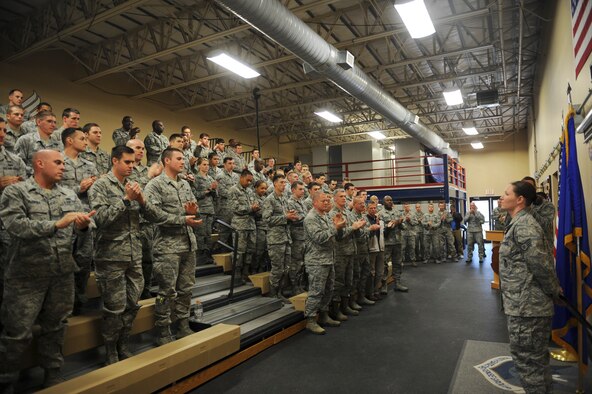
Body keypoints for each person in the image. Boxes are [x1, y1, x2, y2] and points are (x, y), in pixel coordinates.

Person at [0, 150, 95, 390]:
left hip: (61, 273)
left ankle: (52, 373)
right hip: (26, 275)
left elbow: (82, 226)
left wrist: (83, 226)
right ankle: (6, 380)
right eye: (58, 162)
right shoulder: (16, 192)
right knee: (17, 333)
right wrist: (56, 224)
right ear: (39, 164)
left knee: (56, 327)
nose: (64, 167)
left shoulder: (68, 194)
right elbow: (15, 226)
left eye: (64, 162)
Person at [88, 145, 164, 365]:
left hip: (134, 255)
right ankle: (111, 349)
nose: (132, 166)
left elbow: (151, 215)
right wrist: (125, 200)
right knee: (114, 308)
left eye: (133, 162)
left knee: (132, 304)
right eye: (127, 162)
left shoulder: (134, 185)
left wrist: (141, 201)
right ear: (114, 161)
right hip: (110, 256)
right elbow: (100, 219)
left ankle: (123, 343)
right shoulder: (100, 186)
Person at [499, 181, 561, 394]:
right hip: (523, 305)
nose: (501, 197)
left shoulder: (524, 225)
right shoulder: (517, 222)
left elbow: (541, 264)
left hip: (528, 309)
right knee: (537, 361)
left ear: (519, 200)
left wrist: (554, 290)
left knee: (528, 364)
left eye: (505, 193)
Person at [144, 148, 202, 345]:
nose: (183, 162)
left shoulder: (185, 184)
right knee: (166, 292)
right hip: (167, 246)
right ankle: (163, 329)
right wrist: (182, 219)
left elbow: (194, 209)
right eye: (179, 158)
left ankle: (183, 325)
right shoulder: (155, 185)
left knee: (186, 289)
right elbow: (153, 215)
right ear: (167, 161)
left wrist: (193, 212)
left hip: (187, 243)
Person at [61, 128, 99, 314]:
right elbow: (53, 191)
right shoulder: (58, 161)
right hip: (64, 220)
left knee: (84, 261)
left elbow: (94, 193)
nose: (86, 142)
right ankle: (65, 302)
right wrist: (78, 188)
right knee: (65, 261)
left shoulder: (89, 165)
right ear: (69, 140)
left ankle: (79, 299)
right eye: (82, 138)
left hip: (86, 219)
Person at [303, 191, 346, 335]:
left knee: (328, 290)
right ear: (315, 202)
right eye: (324, 201)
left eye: (328, 200)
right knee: (316, 291)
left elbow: (336, 237)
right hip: (316, 261)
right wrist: (335, 228)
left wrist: (339, 226)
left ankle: (324, 315)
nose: (327, 203)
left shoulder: (326, 216)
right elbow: (319, 237)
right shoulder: (310, 218)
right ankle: (310, 320)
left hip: (329, 259)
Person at [126, 139, 161, 299]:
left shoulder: (148, 170)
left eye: (142, 148)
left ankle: (146, 289)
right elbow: (136, 191)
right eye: (137, 148)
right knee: (133, 262)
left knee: (148, 260)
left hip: (147, 222)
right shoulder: (126, 169)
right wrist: (149, 176)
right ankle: (133, 293)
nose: (141, 151)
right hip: (131, 222)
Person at [0, 118, 26, 314]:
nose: (2, 134)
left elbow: (27, 191)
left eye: (4, 131)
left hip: (9, 226)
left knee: (9, 273)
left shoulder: (14, 160)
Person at [262, 174, 299, 303]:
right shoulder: (269, 199)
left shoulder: (284, 198)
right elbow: (266, 219)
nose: (284, 185)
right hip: (275, 239)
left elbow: (287, 216)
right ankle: (273, 294)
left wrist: (292, 217)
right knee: (277, 268)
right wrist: (285, 217)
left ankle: (280, 292)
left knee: (286, 267)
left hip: (286, 237)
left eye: (285, 182)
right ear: (275, 184)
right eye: (282, 182)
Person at [330, 190, 365, 319]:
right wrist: (353, 228)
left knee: (348, 280)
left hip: (351, 251)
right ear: (334, 198)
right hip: (340, 252)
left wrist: (359, 227)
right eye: (341, 196)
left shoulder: (348, 213)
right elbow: (339, 236)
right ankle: (336, 310)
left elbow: (354, 232)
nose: (344, 198)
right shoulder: (333, 214)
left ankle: (346, 305)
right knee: (339, 282)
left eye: (345, 196)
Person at [229, 170, 259, 281]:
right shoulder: (233, 190)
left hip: (251, 224)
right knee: (239, 250)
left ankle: (245, 271)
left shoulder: (250, 191)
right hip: (240, 225)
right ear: (241, 177)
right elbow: (234, 208)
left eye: (251, 181)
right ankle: (237, 271)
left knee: (250, 249)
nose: (249, 182)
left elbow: (256, 203)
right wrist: (251, 208)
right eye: (248, 180)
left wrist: (256, 207)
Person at [15, 111, 62, 176]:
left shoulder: (58, 143)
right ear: (39, 122)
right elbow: (18, 164)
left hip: (51, 182)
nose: (53, 125)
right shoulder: (26, 140)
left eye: (54, 122)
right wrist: (41, 173)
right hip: (30, 181)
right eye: (49, 121)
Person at [351, 196, 379, 307]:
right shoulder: (351, 216)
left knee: (364, 274)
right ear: (354, 205)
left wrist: (370, 230)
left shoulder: (362, 217)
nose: (363, 205)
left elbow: (365, 233)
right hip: (356, 251)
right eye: (360, 204)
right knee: (355, 276)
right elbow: (358, 234)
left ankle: (361, 297)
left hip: (365, 249)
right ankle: (353, 300)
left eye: (363, 203)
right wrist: (370, 229)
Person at [193, 157, 218, 264]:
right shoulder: (196, 178)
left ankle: (208, 254)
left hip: (210, 209)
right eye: (204, 164)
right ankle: (200, 255)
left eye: (207, 164)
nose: (206, 166)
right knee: (200, 233)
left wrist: (213, 190)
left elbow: (216, 196)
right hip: (201, 209)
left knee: (208, 233)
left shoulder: (211, 179)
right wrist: (207, 191)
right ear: (198, 166)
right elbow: (194, 194)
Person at [522, 176, 555, 253]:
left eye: (530, 186)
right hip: (522, 251)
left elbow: (545, 224)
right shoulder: (518, 205)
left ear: (535, 188)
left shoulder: (546, 205)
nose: (527, 189)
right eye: (524, 186)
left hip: (541, 251)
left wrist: (529, 209)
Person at [382, 196, 407, 291]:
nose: (390, 202)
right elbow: (383, 229)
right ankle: (384, 284)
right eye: (387, 200)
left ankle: (398, 282)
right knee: (384, 264)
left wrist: (399, 223)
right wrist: (393, 224)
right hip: (387, 242)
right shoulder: (381, 214)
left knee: (397, 263)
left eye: (391, 200)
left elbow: (404, 227)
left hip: (397, 242)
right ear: (383, 202)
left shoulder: (397, 212)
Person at [286, 180, 307, 294]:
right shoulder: (290, 202)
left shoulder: (302, 202)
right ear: (293, 190)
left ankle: (299, 284)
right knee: (296, 263)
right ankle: (294, 286)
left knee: (302, 262)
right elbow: (295, 219)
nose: (303, 191)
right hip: (296, 236)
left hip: (303, 235)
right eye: (300, 189)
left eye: (303, 189)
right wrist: (306, 218)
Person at [215, 157, 238, 250]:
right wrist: (235, 194)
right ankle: (220, 254)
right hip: (224, 208)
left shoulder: (236, 176)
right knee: (224, 232)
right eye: (229, 163)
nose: (232, 165)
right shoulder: (220, 176)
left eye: (233, 163)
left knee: (234, 231)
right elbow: (222, 191)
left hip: (234, 208)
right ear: (224, 164)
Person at [366, 201, 385, 301]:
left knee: (380, 271)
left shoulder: (379, 219)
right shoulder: (365, 219)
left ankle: (376, 290)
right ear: (367, 209)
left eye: (374, 208)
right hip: (372, 248)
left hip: (380, 247)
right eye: (371, 208)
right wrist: (371, 228)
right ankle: (370, 293)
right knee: (371, 272)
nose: (373, 210)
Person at [252, 180, 269, 273]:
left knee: (266, 250)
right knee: (259, 250)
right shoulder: (253, 198)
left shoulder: (265, 198)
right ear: (256, 188)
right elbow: (257, 213)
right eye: (262, 188)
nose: (264, 190)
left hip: (267, 226)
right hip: (258, 226)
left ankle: (262, 268)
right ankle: (254, 268)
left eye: (265, 188)